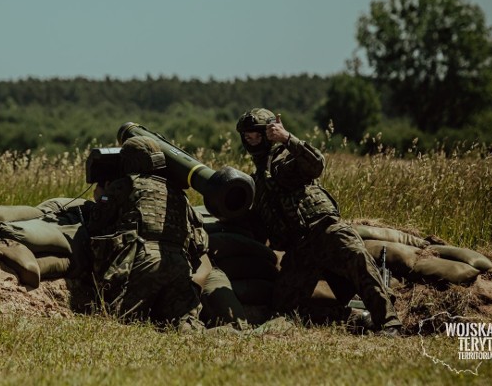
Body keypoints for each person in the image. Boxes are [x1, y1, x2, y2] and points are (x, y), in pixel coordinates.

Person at [235, 108, 403, 336]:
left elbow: (316, 164)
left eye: (255, 134)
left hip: (324, 231)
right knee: (283, 307)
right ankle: (349, 319)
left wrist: (287, 138)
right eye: (246, 136)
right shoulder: (257, 181)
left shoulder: (284, 157)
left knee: (361, 267)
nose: (251, 140)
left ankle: (390, 324)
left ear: (268, 133)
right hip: (300, 250)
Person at [86, 136, 206, 332]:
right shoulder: (177, 192)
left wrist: (101, 197)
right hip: (179, 262)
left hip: (144, 258)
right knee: (185, 323)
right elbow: (199, 238)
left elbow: (96, 223)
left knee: (123, 320)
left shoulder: (125, 184)